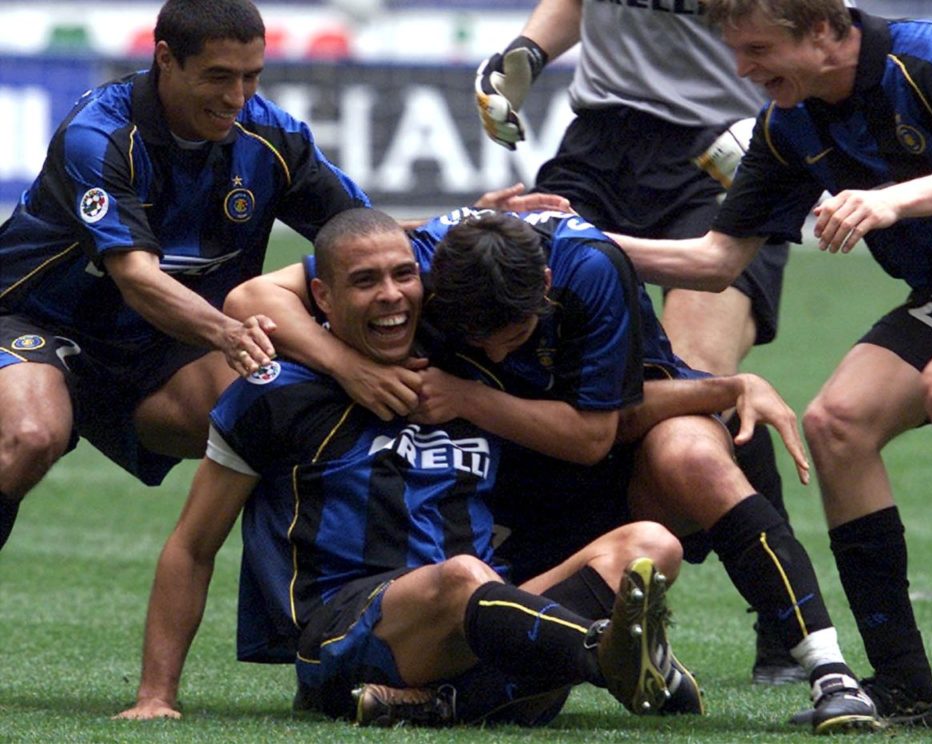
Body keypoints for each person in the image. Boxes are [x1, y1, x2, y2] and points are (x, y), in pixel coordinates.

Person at [229, 207, 882, 734]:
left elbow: (600, 432)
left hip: (597, 459)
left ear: (542, 291)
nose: (486, 350)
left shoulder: (593, 270)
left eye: (506, 335)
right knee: (472, 589)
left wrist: (471, 398)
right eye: (470, 335)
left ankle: (831, 675)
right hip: (502, 495)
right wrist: (353, 368)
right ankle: (586, 662)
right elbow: (253, 294)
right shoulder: (422, 259)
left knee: (685, 472)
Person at [0, 0, 565, 554]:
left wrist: (464, 221)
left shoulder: (271, 137)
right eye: (219, 77)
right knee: (31, 436)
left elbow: (360, 233)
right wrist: (228, 333)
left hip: (160, 347)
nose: (236, 98)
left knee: (278, 405)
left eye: (251, 77)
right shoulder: (98, 135)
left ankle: (335, 600)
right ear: (166, 60)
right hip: (37, 319)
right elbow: (138, 278)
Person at [614, 0, 932, 733]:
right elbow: (714, 262)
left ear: (829, 31)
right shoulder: (788, 125)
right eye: (737, 52)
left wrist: (891, 202)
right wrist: (577, 237)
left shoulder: (926, 57)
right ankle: (901, 688)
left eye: (758, 49)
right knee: (837, 424)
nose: (742, 69)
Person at [114, 207, 686, 726]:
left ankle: (448, 702)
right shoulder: (276, 393)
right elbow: (192, 545)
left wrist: (730, 388)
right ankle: (596, 654)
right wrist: (155, 694)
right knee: (461, 577)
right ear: (323, 296)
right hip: (349, 632)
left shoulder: (468, 379)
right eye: (365, 282)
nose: (392, 296)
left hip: (484, 617)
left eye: (403, 275)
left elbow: (608, 418)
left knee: (651, 545)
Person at [472, 0, 828, 684]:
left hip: (725, 150)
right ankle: (562, 568)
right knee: (522, 345)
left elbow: (821, 36)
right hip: (598, 145)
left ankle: (785, 628)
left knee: (695, 388)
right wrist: (526, 57)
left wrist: (782, 129)